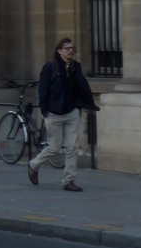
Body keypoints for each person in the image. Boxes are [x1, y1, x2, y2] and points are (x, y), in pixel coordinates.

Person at [28, 37, 100, 192]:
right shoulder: (51, 67)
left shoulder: (76, 67)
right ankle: (34, 164)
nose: (71, 51)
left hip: (72, 112)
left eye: (72, 48)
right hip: (54, 113)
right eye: (67, 48)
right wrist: (45, 110)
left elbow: (83, 87)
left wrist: (83, 106)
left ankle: (69, 181)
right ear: (59, 51)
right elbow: (43, 90)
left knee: (72, 147)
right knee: (54, 148)